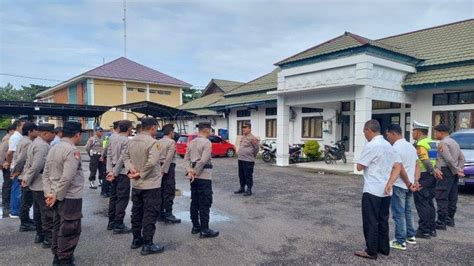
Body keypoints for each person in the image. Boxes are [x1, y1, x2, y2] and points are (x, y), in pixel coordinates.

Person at [354, 119, 401, 260]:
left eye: (364, 132)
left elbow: (359, 166)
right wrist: (390, 183)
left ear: (369, 130)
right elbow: (397, 166)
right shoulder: (389, 145)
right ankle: (383, 248)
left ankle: (371, 251)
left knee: (370, 220)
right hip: (386, 190)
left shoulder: (372, 145)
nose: (364, 135)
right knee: (383, 219)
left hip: (372, 189)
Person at [43, 121, 85, 265]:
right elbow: (67, 177)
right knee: (70, 229)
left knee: (58, 227)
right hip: (70, 196)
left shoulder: (54, 148)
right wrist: (56, 195)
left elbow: (46, 174)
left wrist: (50, 194)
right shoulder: (72, 150)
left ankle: (58, 256)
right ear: (77, 135)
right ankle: (65, 260)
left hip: (56, 195)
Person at [123, 117, 165, 255]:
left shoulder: (132, 140)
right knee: (150, 213)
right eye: (156, 128)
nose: (156, 131)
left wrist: (131, 169)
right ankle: (148, 244)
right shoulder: (153, 142)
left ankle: (136, 239)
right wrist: (140, 173)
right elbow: (152, 162)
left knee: (137, 212)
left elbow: (125, 157)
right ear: (152, 128)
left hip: (136, 185)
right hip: (150, 185)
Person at [384, 124, 420, 251]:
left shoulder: (395, 148)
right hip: (410, 185)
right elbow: (417, 165)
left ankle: (400, 240)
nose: (387, 138)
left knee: (398, 213)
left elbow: (400, 169)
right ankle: (410, 236)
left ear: (393, 134)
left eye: (388, 135)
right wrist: (415, 181)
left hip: (400, 184)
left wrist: (408, 183)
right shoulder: (410, 146)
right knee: (408, 211)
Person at [21, 123, 55, 248]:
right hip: (41, 183)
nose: (54, 136)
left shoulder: (35, 142)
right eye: (53, 133)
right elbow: (37, 165)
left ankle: (40, 235)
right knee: (46, 212)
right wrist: (27, 179)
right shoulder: (42, 146)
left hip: (35, 183)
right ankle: (48, 238)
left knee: (38, 211)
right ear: (46, 133)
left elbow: (28, 164)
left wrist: (26, 178)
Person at [184, 122, 219, 239]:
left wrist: (190, 171)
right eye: (210, 130)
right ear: (207, 130)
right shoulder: (207, 142)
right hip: (203, 176)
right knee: (205, 202)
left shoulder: (191, 142)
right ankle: (204, 229)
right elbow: (203, 161)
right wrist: (195, 171)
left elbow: (186, 159)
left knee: (195, 201)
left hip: (193, 177)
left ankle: (195, 226)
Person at [433, 124, 465, 230]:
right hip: (453, 172)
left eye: (435, 132)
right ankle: (449, 219)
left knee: (441, 196)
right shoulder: (454, 142)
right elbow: (462, 158)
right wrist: (458, 169)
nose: (435, 134)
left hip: (446, 171)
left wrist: (455, 170)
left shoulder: (443, 143)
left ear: (441, 132)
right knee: (452, 196)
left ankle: (441, 222)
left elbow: (448, 159)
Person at [412, 121, 438, 239]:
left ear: (418, 132)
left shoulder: (421, 144)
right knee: (429, 202)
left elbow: (425, 160)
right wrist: (434, 171)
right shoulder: (431, 142)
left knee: (422, 203)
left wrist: (431, 170)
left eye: (413, 130)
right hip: (431, 176)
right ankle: (432, 228)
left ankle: (424, 230)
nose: (412, 133)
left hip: (424, 175)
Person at [106, 120, 133, 234]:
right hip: (121, 172)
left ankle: (111, 222)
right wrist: (115, 173)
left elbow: (108, 154)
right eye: (131, 128)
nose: (132, 130)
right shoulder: (127, 141)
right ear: (128, 129)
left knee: (113, 197)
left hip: (112, 171)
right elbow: (122, 159)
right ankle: (118, 224)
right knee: (122, 199)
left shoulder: (112, 137)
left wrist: (109, 171)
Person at [13, 122, 38, 230]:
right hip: (24, 174)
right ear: (30, 131)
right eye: (35, 130)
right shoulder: (27, 142)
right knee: (26, 200)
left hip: (22, 174)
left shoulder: (23, 140)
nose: (37, 132)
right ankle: (24, 223)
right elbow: (21, 159)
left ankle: (26, 220)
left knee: (26, 199)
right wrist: (16, 171)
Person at [157, 124, 181, 224]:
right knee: (169, 190)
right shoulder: (171, 142)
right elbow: (169, 157)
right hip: (168, 168)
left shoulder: (158, 141)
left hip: (158, 166)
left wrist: (160, 170)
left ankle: (160, 213)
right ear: (171, 132)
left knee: (161, 190)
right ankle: (169, 214)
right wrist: (164, 170)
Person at [3, 120, 25, 218]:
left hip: (17, 165)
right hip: (16, 166)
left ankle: (15, 209)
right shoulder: (16, 137)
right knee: (16, 188)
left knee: (16, 188)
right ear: (18, 126)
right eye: (23, 125)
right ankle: (15, 211)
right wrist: (9, 162)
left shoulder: (18, 137)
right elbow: (10, 152)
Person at [235, 122, 260, 196]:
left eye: (245, 127)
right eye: (243, 127)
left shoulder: (253, 138)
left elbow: (256, 148)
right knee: (241, 174)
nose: (243, 129)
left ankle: (249, 189)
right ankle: (242, 188)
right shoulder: (243, 137)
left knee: (248, 175)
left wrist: (253, 155)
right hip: (241, 159)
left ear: (249, 128)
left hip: (248, 160)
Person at [101, 121, 121, 197]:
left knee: (107, 174)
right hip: (110, 158)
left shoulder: (108, 135)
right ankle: (105, 191)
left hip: (108, 158)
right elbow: (105, 146)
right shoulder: (109, 136)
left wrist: (103, 155)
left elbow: (104, 147)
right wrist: (103, 156)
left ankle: (105, 191)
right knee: (108, 174)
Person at [1, 125, 15, 216]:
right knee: (8, 183)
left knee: (7, 183)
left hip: (5, 163)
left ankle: (6, 202)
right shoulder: (8, 139)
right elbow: (4, 152)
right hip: (6, 164)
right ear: (10, 131)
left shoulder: (7, 138)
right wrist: (5, 163)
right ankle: (6, 202)